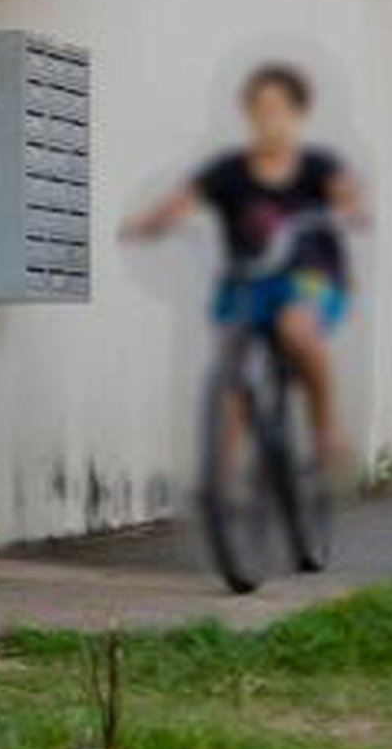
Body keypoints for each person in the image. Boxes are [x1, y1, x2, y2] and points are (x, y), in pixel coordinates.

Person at [123, 62, 367, 466]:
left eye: (276, 109)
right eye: (257, 109)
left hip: (312, 279)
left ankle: (325, 430)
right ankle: (225, 478)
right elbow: (183, 200)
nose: (266, 119)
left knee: (296, 328)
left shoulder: (318, 167)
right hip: (248, 281)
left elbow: (345, 196)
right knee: (233, 364)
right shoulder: (230, 171)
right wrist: (149, 223)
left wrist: (350, 211)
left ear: (296, 114)